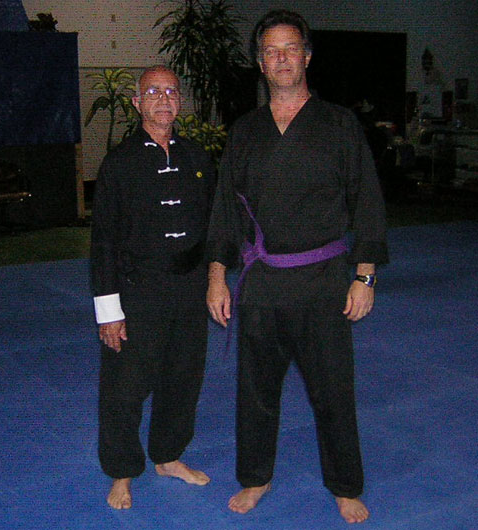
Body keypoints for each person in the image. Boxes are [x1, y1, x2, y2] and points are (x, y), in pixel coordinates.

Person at [206, 10, 388, 524]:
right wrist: (218, 277)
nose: (281, 58)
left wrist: (364, 275)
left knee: (333, 392)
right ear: (260, 63)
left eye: (290, 48)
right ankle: (255, 477)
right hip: (262, 282)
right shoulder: (246, 131)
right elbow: (225, 210)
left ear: (307, 56)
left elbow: (367, 200)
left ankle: (345, 484)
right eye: (271, 51)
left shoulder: (339, 124)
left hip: (322, 281)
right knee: (256, 392)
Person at [91, 65, 215, 510]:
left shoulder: (198, 158)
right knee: (125, 386)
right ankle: (122, 471)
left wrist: (216, 281)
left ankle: (168, 455)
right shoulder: (119, 164)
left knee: (183, 378)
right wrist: (110, 312)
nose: (164, 99)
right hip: (137, 290)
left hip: (191, 288)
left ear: (180, 100)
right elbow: (103, 241)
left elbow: (216, 227)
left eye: (171, 92)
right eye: (153, 92)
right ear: (137, 102)